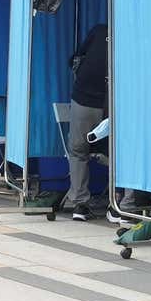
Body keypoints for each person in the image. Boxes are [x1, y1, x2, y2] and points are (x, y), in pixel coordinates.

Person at [63, 24, 109, 222]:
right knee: (121, 151)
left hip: (84, 96)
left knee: (78, 151)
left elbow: (76, 58)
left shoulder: (99, 30)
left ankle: (80, 204)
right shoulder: (135, 32)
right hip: (113, 98)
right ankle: (123, 204)